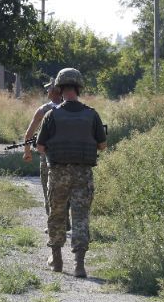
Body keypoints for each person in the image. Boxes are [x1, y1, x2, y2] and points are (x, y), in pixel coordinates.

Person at [36, 68, 107, 278]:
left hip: (57, 173)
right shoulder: (92, 115)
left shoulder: (51, 115)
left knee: (56, 214)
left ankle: (56, 260)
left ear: (59, 87)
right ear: (78, 88)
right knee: (81, 217)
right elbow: (102, 145)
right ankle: (79, 265)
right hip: (83, 175)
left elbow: (40, 147)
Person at [22, 79, 63, 222]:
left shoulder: (44, 110)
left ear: (53, 92)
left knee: (48, 189)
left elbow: (29, 133)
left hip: (48, 156)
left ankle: (54, 222)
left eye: (48, 89)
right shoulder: (75, 108)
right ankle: (67, 221)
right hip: (71, 156)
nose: (46, 92)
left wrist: (27, 151)